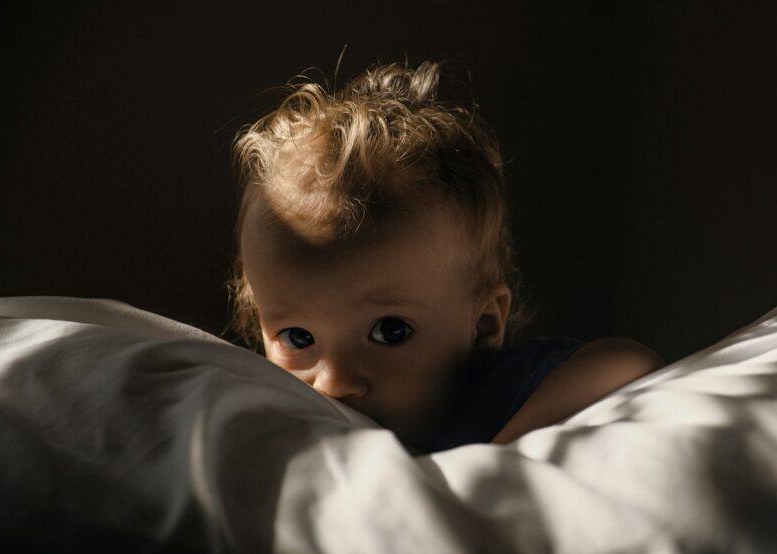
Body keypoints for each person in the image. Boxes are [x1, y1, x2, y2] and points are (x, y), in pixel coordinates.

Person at [227, 59, 665, 455]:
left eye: (390, 331)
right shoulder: (281, 422)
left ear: (481, 326)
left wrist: (500, 458)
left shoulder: (489, 392)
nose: (334, 382)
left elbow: (625, 362)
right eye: (298, 338)